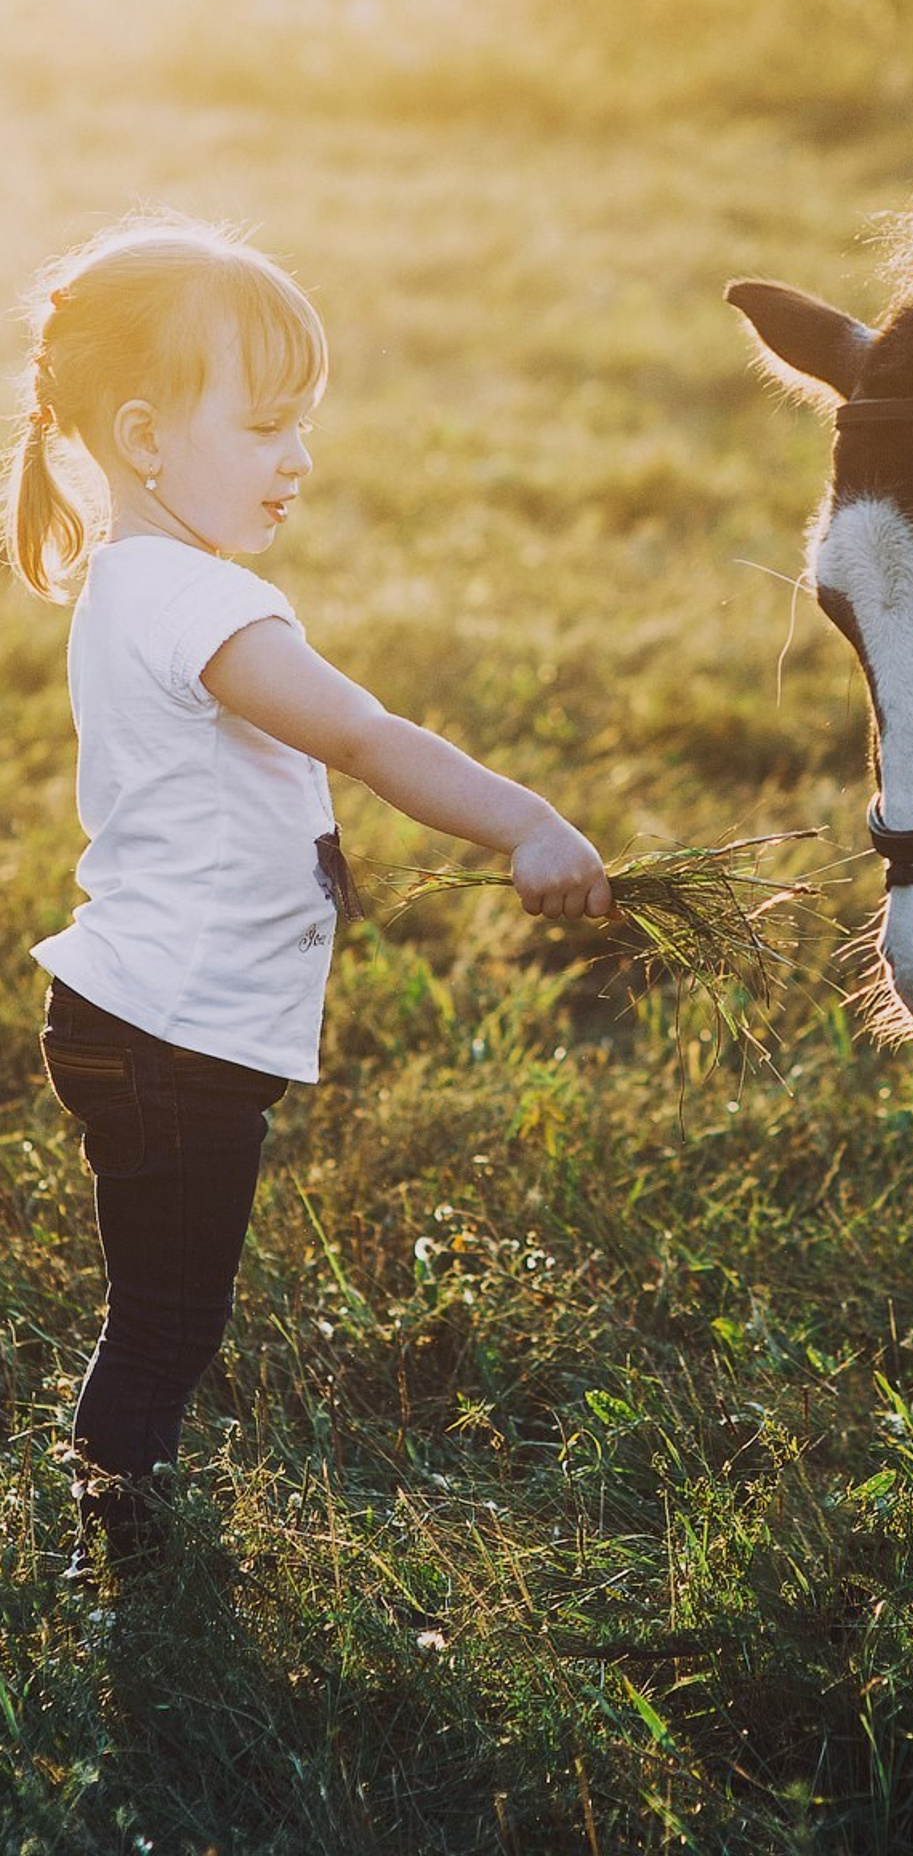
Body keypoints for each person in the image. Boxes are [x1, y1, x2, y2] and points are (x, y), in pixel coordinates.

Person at [6, 212, 613, 1576]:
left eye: (307, 425)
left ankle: (116, 1502)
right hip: (171, 1035)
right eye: (268, 424)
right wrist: (526, 822)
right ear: (148, 439)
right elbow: (363, 736)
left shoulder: (142, 585)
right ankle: (122, 1543)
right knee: (167, 1313)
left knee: (161, 1298)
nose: (300, 458)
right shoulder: (208, 610)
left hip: (138, 1017)